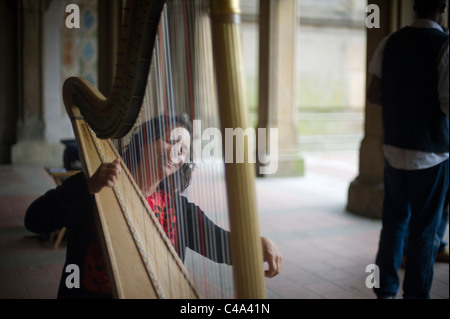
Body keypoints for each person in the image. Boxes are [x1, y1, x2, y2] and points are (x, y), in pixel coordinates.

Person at [25, 113, 282, 299]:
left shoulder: (178, 209)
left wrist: (256, 244)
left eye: (183, 150)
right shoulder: (96, 184)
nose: (176, 154)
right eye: (171, 141)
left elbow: (219, 244)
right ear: (146, 138)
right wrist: (87, 189)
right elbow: (35, 220)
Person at [367, 0, 449, 299]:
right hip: (431, 152)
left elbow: (373, 93)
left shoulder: (390, 41)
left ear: (414, 6)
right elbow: (446, 102)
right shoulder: (445, 45)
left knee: (394, 222)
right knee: (425, 230)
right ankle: (415, 294)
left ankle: (385, 289)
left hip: (394, 146)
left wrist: (401, 105)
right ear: (442, 7)